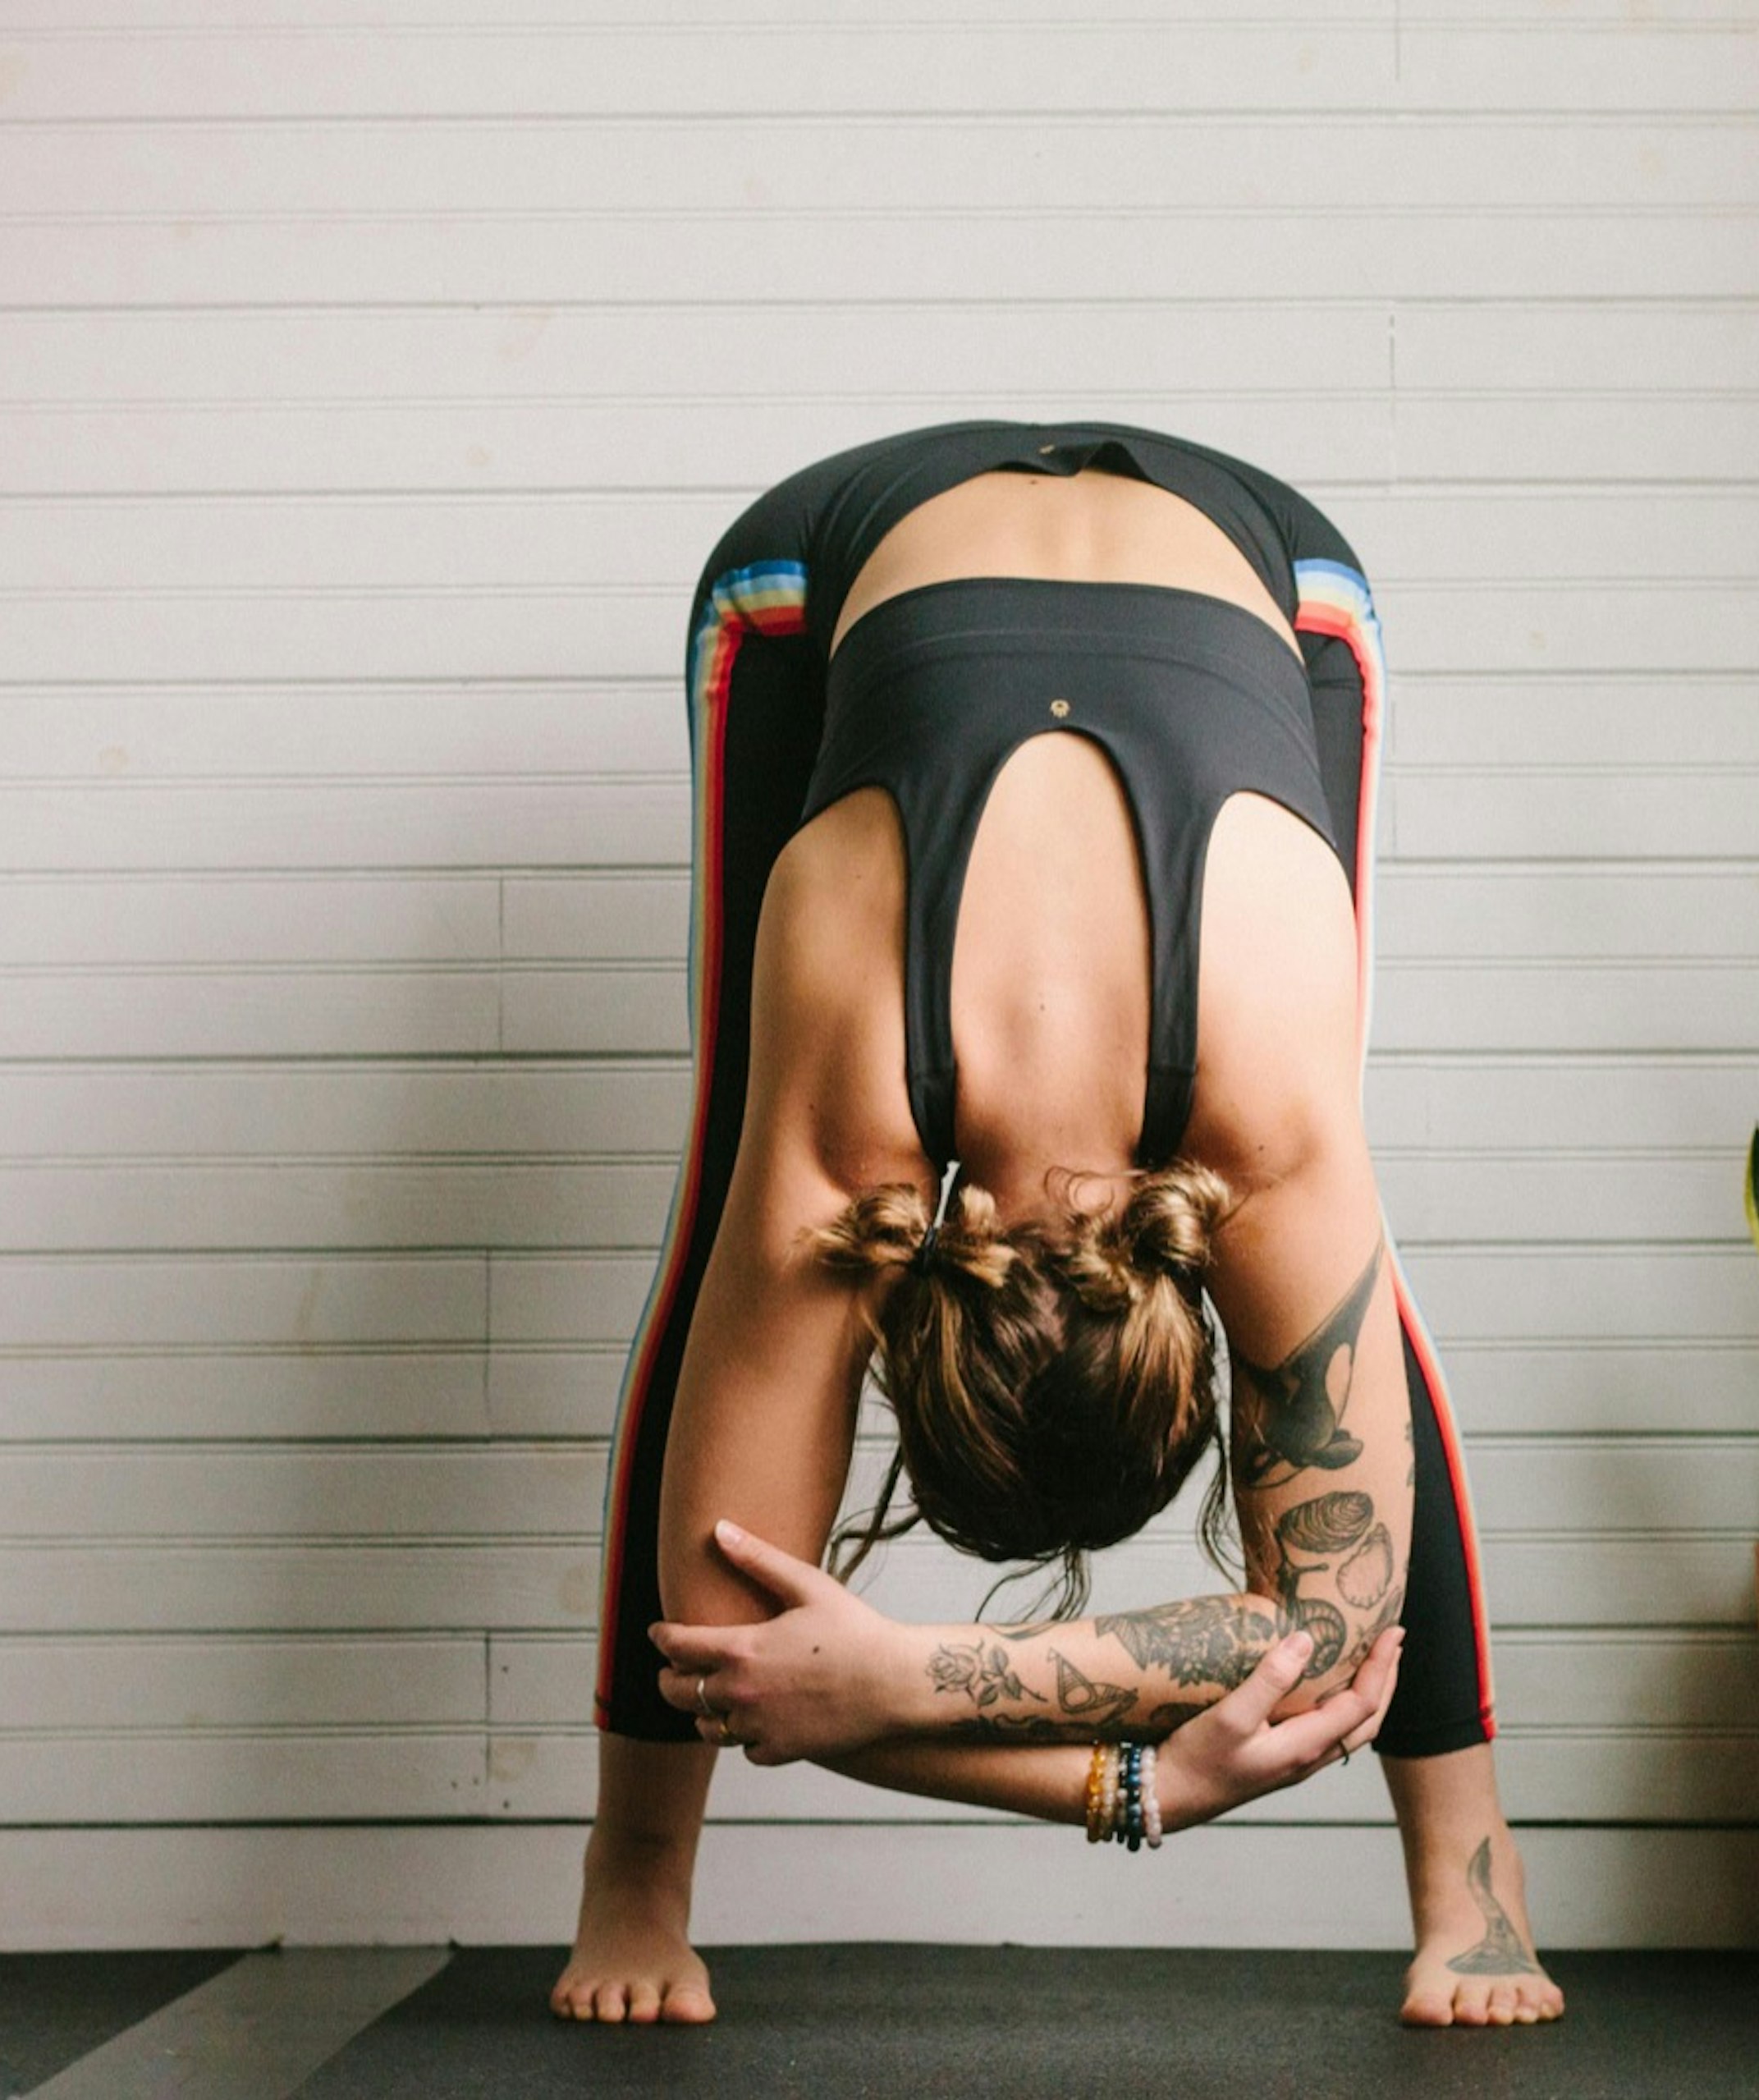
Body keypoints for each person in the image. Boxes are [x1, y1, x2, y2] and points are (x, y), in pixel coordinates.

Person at [553, 420, 1564, 2029]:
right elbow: (733, 1653)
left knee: (1361, 1287)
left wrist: (887, 1680)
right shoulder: (880, 1095)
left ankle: (1472, 1883)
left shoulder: (1196, 1108)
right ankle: (636, 1873)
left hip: (1280, 581)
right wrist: (1129, 1780)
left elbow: (749, 1654)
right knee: (722, 1201)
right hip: (831, 571)